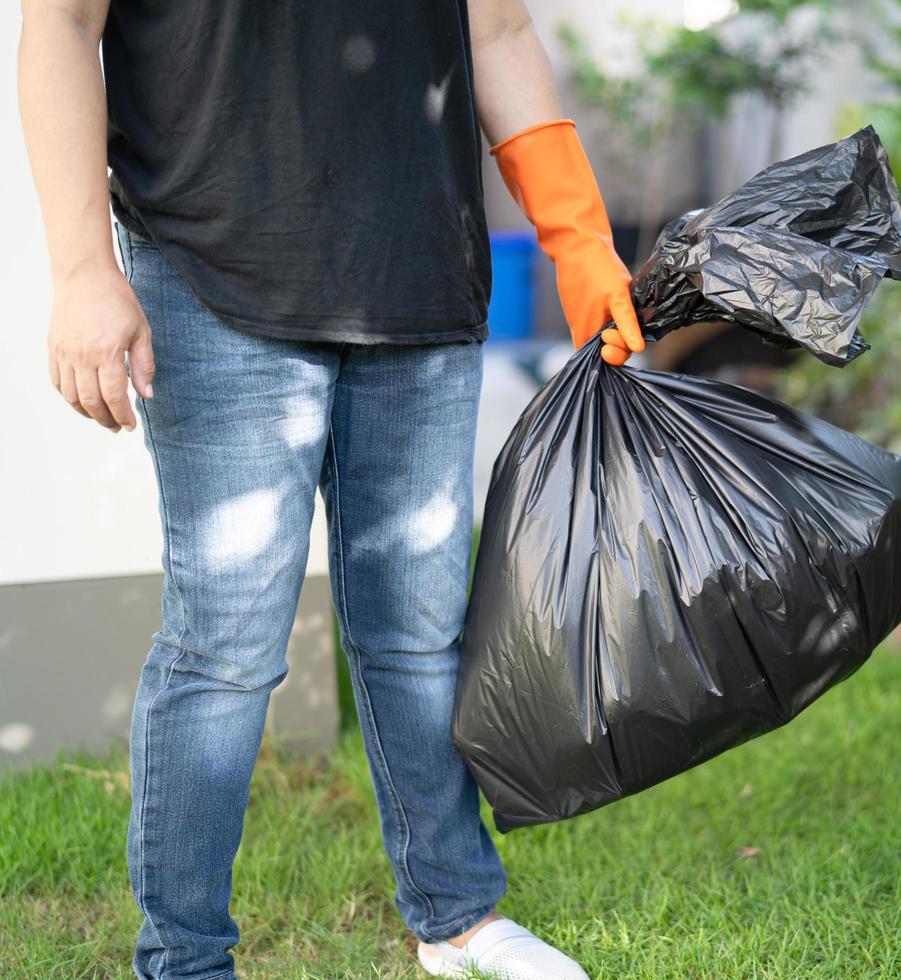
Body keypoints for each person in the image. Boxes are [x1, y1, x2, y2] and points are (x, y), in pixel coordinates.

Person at [18, 1, 643, 977]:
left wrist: (574, 231)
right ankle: (183, 956)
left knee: (420, 623)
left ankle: (456, 913)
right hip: (210, 262)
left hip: (421, 267)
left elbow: (497, 31)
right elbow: (60, 22)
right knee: (226, 642)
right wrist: (81, 267)